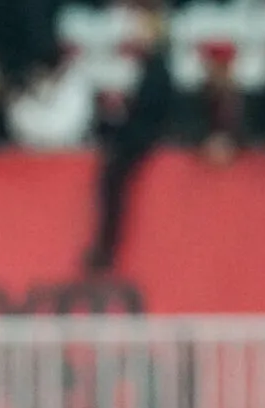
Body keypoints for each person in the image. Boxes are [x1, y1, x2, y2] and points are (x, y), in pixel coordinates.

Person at [83, 7, 172, 273]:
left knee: (114, 176)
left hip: (145, 136)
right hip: (136, 133)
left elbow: (154, 110)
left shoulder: (158, 68)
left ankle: (107, 245)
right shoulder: (141, 66)